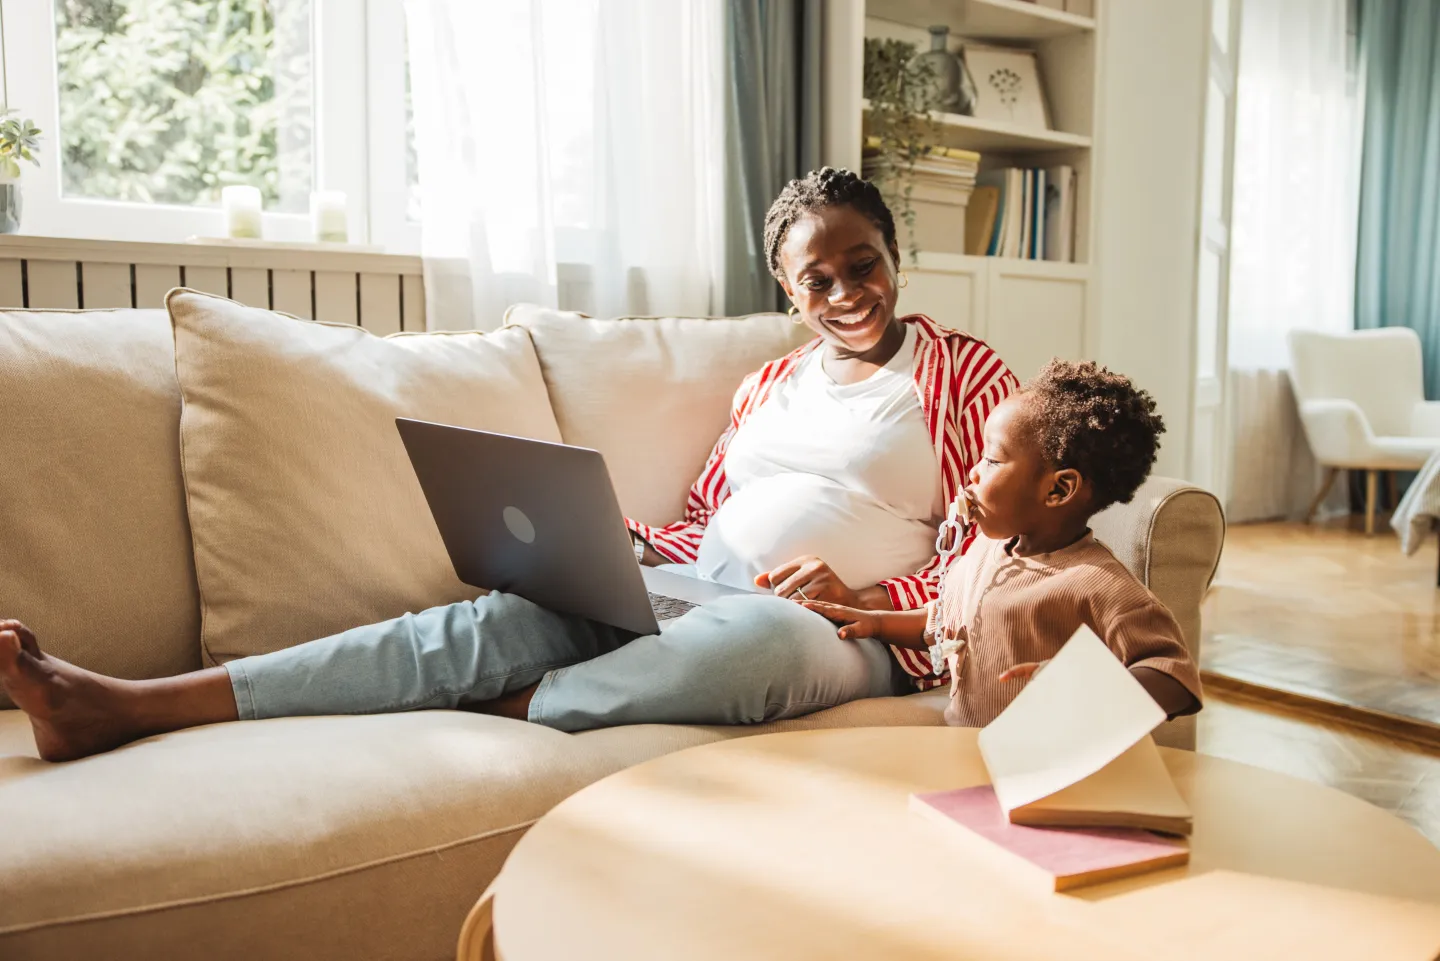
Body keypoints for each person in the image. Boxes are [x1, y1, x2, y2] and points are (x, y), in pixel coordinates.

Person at [0, 168, 1017, 762]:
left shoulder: (966, 374)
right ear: (790, 292)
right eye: (819, 277)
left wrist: (874, 596)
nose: (847, 291)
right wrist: (611, 545)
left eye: (863, 265)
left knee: (759, 645)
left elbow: (990, 561)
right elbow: (709, 519)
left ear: (896, 256)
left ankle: (503, 708)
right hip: (700, 584)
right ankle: (132, 703)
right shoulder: (769, 386)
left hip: (839, 633)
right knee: (492, 620)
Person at [801, 359, 1203, 725]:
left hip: (1041, 767)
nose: (973, 474)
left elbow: (1174, 677)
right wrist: (877, 623)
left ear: (1059, 489)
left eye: (992, 461)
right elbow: (945, 623)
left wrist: (1088, 688)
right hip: (965, 746)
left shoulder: (1098, 583)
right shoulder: (983, 552)